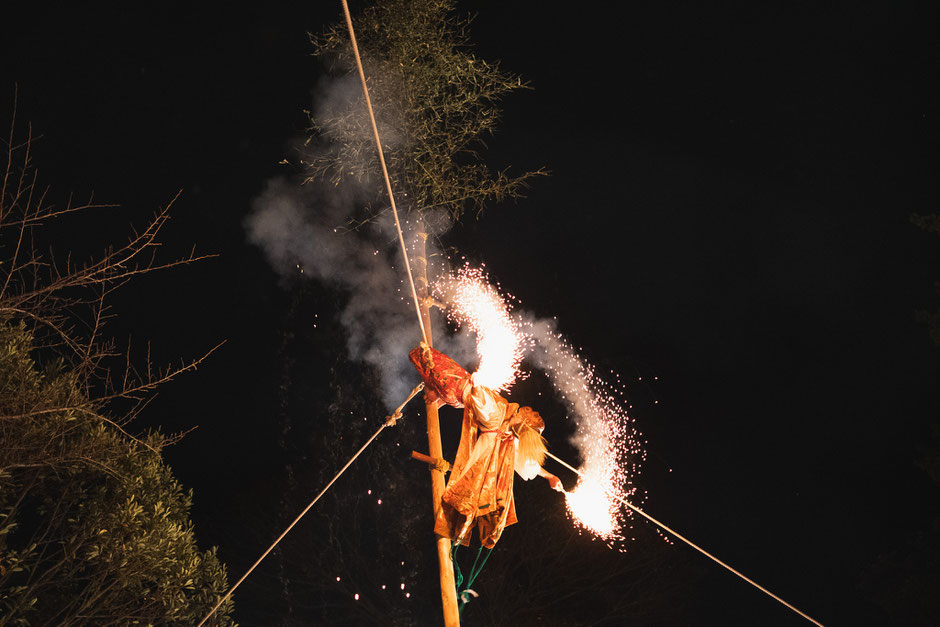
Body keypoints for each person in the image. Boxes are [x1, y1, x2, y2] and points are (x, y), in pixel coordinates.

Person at [409, 344, 563, 549]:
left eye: (520, 416)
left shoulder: (500, 424)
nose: (518, 413)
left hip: (453, 386)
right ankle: (435, 391)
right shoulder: (505, 430)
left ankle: (435, 389)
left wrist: (478, 385)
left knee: (422, 355)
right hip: (454, 392)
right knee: (424, 358)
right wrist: (550, 476)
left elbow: (483, 406)